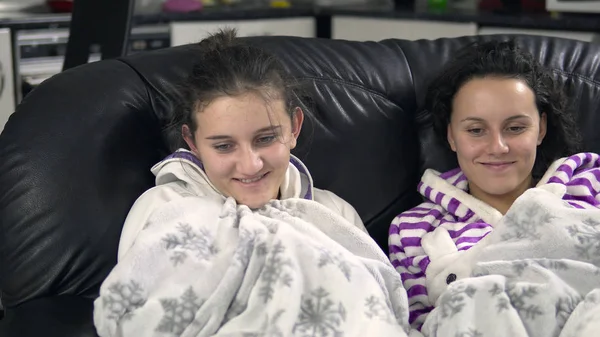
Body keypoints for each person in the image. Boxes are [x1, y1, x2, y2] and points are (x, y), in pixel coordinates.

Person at [93, 29, 415, 337]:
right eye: (223, 146)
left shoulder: (335, 215)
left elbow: (373, 308)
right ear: (192, 142)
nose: (250, 164)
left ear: (294, 127)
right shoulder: (163, 209)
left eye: (266, 138)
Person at [388, 39, 600, 330]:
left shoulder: (590, 184)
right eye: (476, 130)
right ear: (451, 136)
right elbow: (417, 326)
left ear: (542, 128)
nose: (498, 147)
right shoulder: (413, 229)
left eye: (515, 128)